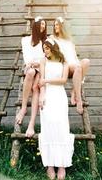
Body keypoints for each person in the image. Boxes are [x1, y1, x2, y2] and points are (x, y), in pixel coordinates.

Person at [39, 38, 74, 180]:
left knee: (61, 126)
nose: (44, 51)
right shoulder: (43, 62)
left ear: (53, 48)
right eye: (43, 49)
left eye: (47, 48)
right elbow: (41, 79)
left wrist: (46, 81)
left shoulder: (63, 63)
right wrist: (42, 95)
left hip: (59, 95)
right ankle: (50, 165)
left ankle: (61, 165)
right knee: (48, 127)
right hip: (47, 95)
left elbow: (64, 80)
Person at [50, 17, 90, 114]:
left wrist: (78, 64)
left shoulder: (69, 41)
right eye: (54, 25)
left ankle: (73, 91)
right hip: (64, 65)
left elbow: (74, 56)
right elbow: (51, 53)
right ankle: (79, 100)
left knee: (86, 61)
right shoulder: (52, 38)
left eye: (57, 24)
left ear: (62, 26)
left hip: (74, 65)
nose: (56, 27)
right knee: (78, 67)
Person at [16, 16, 47, 138]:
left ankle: (31, 124)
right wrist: (32, 64)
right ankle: (23, 108)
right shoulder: (25, 40)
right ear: (35, 25)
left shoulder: (45, 41)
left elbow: (46, 58)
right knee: (30, 73)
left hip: (42, 68)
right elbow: (27, 57)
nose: (43, 26)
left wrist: (38, 63)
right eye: (41, 24)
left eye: (45, 25)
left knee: (36, 88)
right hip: (30, 68)